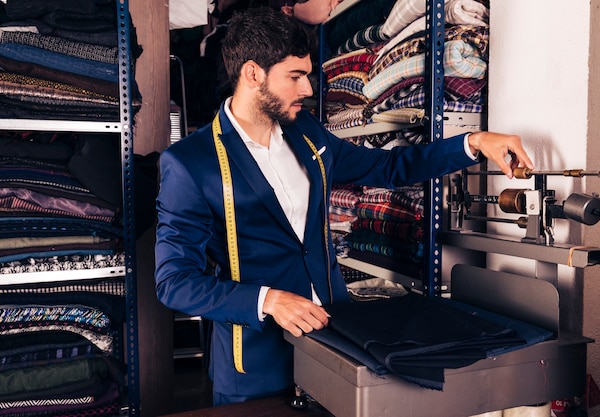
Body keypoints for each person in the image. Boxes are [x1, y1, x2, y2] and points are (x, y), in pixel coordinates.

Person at [154, 6, 534, 407]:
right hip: (256, 361)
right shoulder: (190, 163)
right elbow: (175, 282)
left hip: (339, 343)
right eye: (295, 76)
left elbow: (387, 167)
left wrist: (471, 143)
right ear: (253, 74)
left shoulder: (307, 133)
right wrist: (267, 299)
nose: (308, 89)